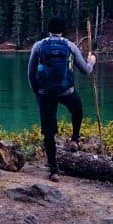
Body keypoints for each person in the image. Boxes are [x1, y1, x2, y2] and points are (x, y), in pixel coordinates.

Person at [28, 16, 96, 182]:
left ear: (49, 30)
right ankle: (74, 138)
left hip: (45, 94)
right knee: (77, 109)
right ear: (63, 30)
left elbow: (30, 74)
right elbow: (86, 70)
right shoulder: (69, 45)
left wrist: (37, 91)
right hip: (66, 91)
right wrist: (91, 61)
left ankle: (53, 170)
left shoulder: (38, 46)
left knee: (49, 132)